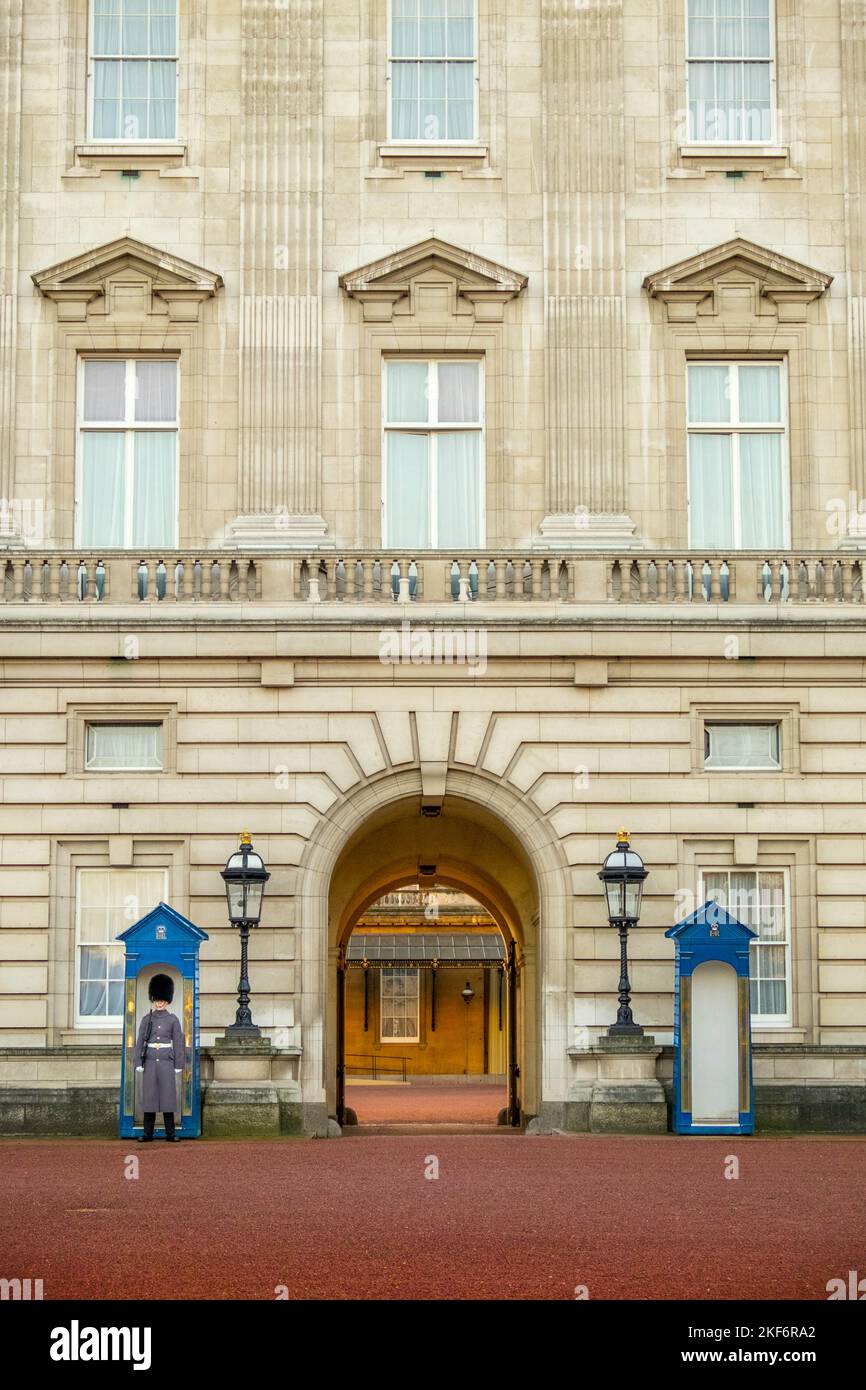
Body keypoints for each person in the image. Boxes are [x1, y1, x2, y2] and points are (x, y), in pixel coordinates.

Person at [134, 973, 185, 1142]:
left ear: (167, 1000)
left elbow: (178, 1042)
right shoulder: (147, 1019)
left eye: (162, 999)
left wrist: (179, 1063)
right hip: (149, 1061)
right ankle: (147, 1133)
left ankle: (170, 1133)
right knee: (150, 1097)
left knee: (167, 1097)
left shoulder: (173, 1020)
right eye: (157, 999)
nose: (159, 1002)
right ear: (153, 999)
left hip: (166, 1062)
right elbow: (140, 1040)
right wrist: (138, 1061)